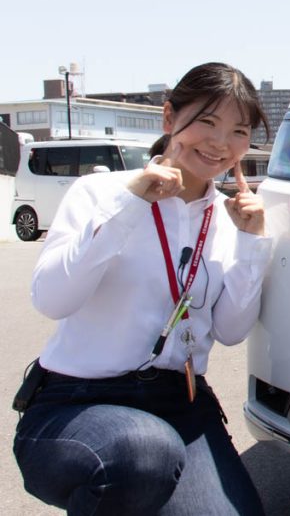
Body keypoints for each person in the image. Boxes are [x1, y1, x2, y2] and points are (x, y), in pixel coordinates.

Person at [12, 62, 272, 515]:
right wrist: (130, 203)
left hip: (180, 402)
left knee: (160, 457)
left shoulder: (230, 218)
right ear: (169, 118)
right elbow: (51, 299)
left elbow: (231, 331)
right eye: (207, 122)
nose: (220, 143)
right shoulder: (100, 192)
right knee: (142, 453)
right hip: (76, 403)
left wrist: (251, 242)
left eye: (238, 131)